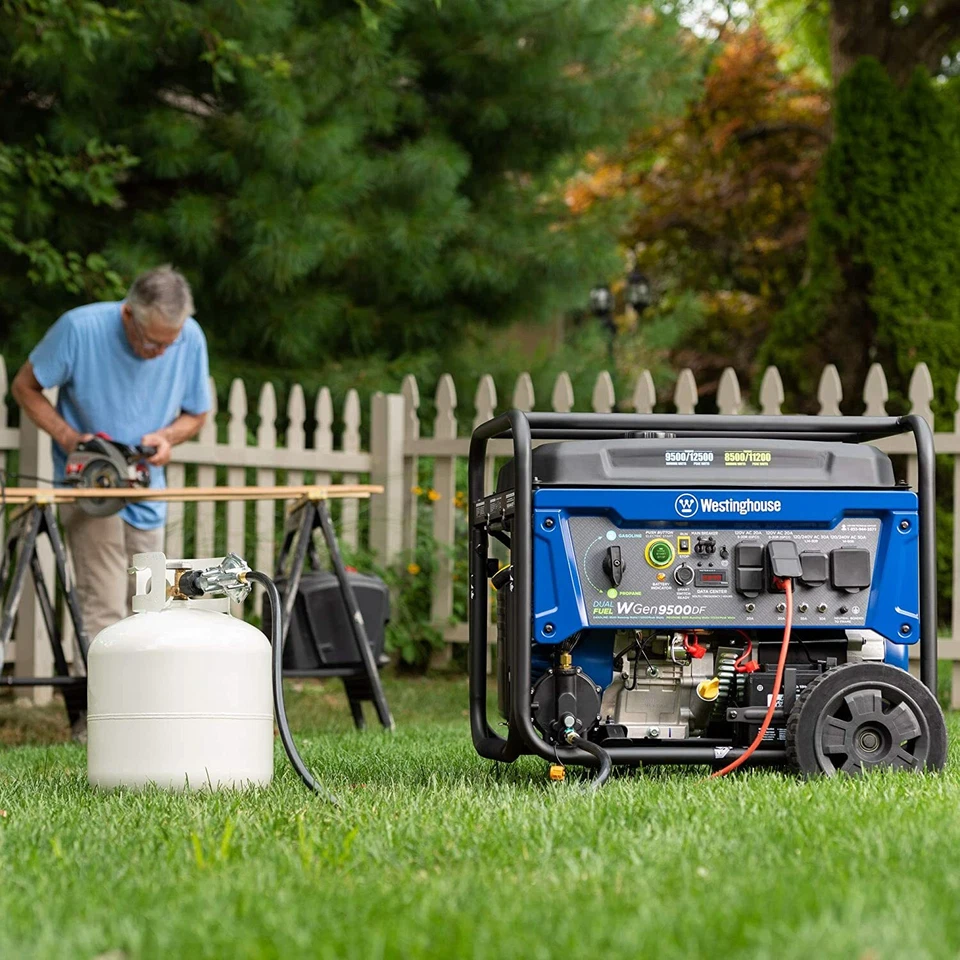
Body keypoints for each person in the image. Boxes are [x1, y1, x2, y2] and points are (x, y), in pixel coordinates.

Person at [11, 265, 211, 642]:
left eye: (171, 344)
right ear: (128, 314)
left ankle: (142, 701)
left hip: (146, 488)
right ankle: (104, 702)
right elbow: (25, 387)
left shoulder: (191, 338)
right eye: (153, 343)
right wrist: (69, 438)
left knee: (150, 608)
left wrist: (168, 436)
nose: (161, 353)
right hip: (91, 485)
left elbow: (197, 413)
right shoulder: (79, 329)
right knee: (103, 605)